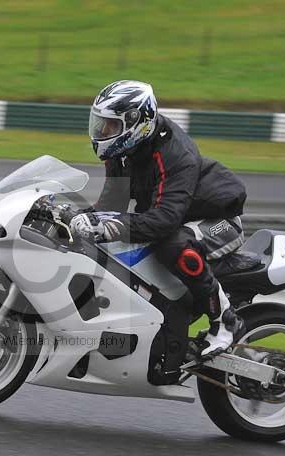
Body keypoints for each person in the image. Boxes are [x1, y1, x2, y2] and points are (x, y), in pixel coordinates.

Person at [69, 80, 247, 364]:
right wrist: (76, 217)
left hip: (220, 221)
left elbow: (164, 220)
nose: (102, 133)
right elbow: (111, 205)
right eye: (100, 124)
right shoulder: (122, 152)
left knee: (174, 246)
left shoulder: (175, 153)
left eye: (110, 126)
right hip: (179, 218)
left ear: (136, 122)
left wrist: (109, 226)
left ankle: (225, 319)